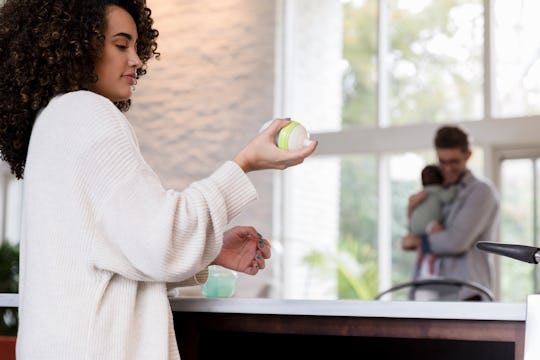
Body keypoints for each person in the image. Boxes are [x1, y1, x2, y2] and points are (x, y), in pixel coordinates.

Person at [0, 1, 317, 359]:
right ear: (75, 47)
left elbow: (112, 257)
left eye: (137, 46)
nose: (136, 60)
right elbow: (158, 239)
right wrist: (245, 163)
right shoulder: (88, 114)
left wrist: (210, 252)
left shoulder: (53, 121)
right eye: (121, 45)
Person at [401, 125, 499, 301]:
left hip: (467, 294)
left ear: (468, 155)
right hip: (429, 291)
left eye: (454, 161)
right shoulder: (436, 191)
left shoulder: (481, 192)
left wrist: (419, 241)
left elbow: (455, 241)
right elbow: (412, 238)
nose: (447, 169)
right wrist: (411, 213)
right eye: (442, 161)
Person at [408, 164, 457, 279]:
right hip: (428, 226)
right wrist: (454, 187)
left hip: (415, 227)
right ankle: (431, 261)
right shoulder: (438, 191)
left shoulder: (421, 194)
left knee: (421, 245)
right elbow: (448, 197)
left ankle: (420, 261)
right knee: (434, 242)